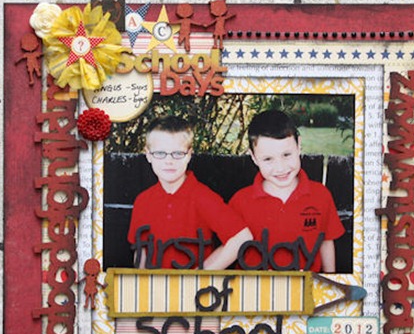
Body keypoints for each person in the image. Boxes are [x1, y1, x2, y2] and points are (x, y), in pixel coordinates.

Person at [127, 116, 252, 270]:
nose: (169, 161)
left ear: (189, 155)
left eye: (178, 153)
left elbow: (242, 237)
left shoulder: (202, 197)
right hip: (155, 283)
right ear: (148, 155)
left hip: (193, 284)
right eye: (160, 153)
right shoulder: (143, 201)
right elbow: (141, 253)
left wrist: (201, 275)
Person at [229, 109, 345, 273]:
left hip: (306, 285)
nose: (280, 167)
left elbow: (326, 241)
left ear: (298, 146)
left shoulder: (321, 195)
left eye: (286, 154)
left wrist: (329, 279)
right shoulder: (240, 201)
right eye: (268, 159)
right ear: (253, 157)